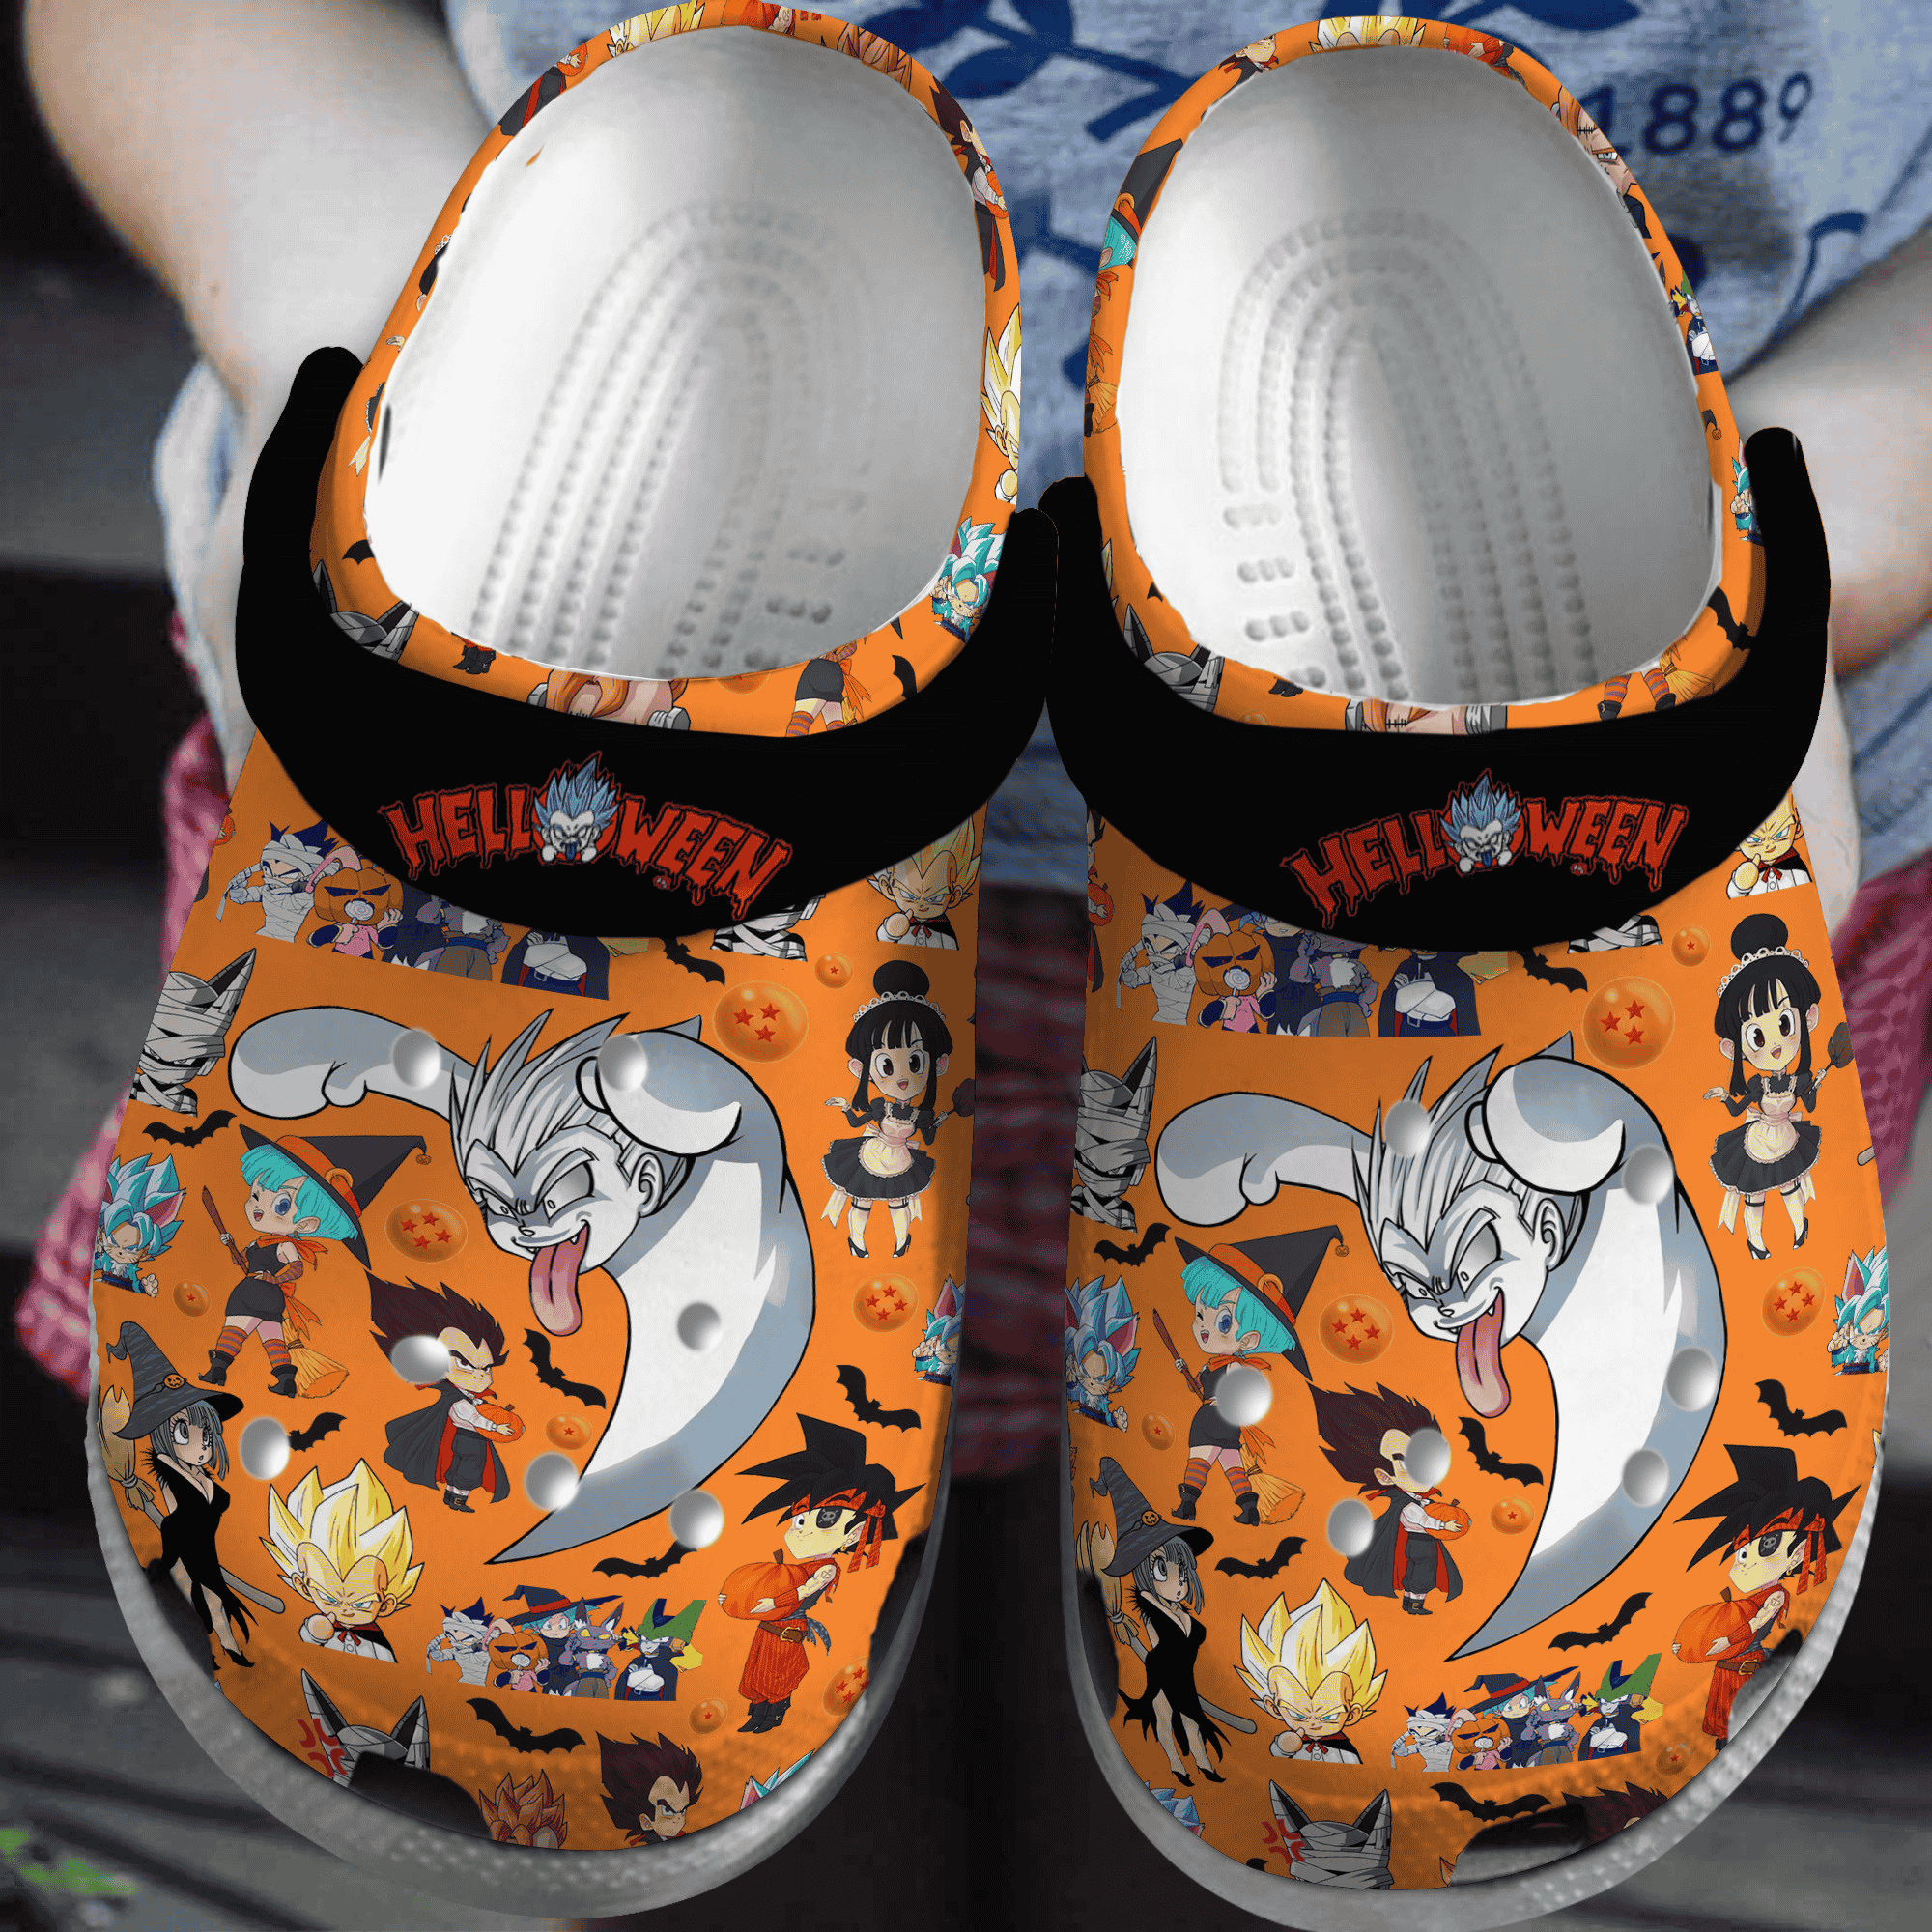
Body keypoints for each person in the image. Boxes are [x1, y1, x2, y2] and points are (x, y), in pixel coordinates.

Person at [18, 0, 1932, 1476]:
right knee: (698, 1709)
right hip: (487, 704)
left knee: (1270, 1726)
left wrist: (1810, 531)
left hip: (1644, 814)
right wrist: (355, 352)